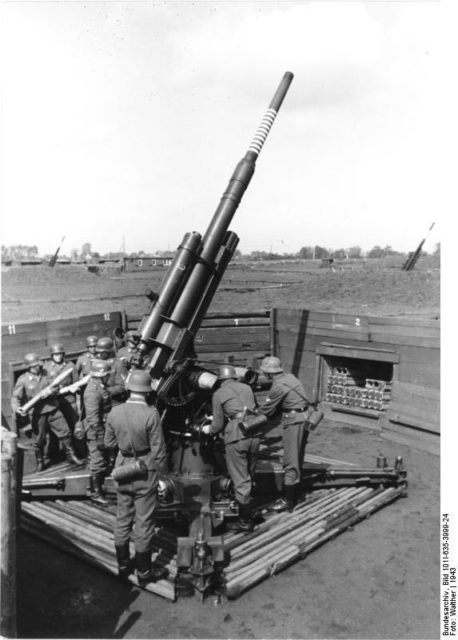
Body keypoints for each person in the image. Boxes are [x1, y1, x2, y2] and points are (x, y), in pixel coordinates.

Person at [104, 369, 168, 585]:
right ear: (147, 391)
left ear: (129, 388)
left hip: (122, 469)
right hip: (146, 471)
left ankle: (123, 566)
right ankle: (144, 573)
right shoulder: (152, 414)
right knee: (144, 523)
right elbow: (159, 451)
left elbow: (109, 444)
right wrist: (162, 477)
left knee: (123, 518)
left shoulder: (114, 412)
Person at [202, 365, 260, 533]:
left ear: (220, 380)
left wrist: (210, 429)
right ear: (234, 377)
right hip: (254, 431)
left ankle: (245, 522)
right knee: (250, 473)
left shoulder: (218, 393)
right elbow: (247, 408)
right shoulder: (247, 387)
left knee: (241, 479)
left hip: (237, 436)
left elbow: (218, 425)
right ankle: (249, 507)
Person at [11, 352, 84, 471]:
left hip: (53, 409)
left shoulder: (46, 374)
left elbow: (56, 387)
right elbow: (15, 397)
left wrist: (52, 392)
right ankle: (40, 462)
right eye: (35, 366)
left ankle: (71, 456)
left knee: (65, 433)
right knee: (39, 439)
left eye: (38, 365)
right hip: (37, 413)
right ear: (29, 367)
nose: (38, 367)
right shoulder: (23, 379)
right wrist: (17, 408)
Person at [258, 356, 311, 512]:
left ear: (268, 373)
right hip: (303, 418)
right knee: (298, 458)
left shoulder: (278, 386)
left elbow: (266, 410)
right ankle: (298, 494)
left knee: (290, 461)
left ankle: (288, 500)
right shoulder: (290, 378)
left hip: (293, 422)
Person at [83, 360, 113, 506]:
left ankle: (96, 488)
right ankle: (96, 494)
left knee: (101, 460)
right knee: (97, 461)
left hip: (102, 429)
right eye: (107, 374)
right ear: (102, 375)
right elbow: (93, 418)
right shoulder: (93, 391)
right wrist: (101, 436)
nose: (109, 377)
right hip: (96, 432)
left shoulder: (99, 386)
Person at [94, 337, 128, 406]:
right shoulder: (97, 362)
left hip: (114, 402)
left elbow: (122, 386)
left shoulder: (118, 364)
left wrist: (106, 391)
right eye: (97, 352)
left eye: (101, 353)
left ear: (107, 352)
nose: (97, 355)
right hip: (99, 401)